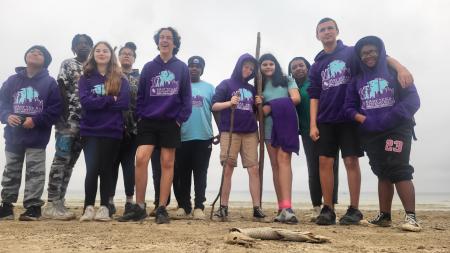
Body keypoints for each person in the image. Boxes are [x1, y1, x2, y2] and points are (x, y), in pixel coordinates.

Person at [308, 17, 414, 225]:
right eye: (322, 30)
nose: (327, 32)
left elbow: (381, 57)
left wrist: (401, 68)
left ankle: (354, 209)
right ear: (317, 35)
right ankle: (327, 208)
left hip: (350, 118)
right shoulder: (317, 64)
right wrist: (313, 123)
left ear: (337, 31)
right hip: (326, 119)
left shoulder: (351, 52)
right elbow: (314, 95)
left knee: (350, 161)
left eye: (330, 28)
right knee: (324, 162)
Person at [345, 36, 421, 232]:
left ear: (380, 52)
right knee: (382, 172)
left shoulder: (395, 72)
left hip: (396, 130)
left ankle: (411, 217)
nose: (368, 55)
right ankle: (384, 216)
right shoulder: (357, 80)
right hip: (371, 133)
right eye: (363, 53)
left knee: (398, 168)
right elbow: (349, 108)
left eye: (372, 51)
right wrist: (365, 120)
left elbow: (413, 101)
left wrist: (389, 118)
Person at [121, 27, 192, 224]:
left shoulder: (181, 68)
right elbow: (141, 95)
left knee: (167, 163)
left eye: (169, 38)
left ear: (174, 43)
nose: (165, 40)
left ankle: (161, 207)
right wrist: (141, 117)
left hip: (171, 121)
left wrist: (179, 119)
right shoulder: (149, 67)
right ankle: (140, 206)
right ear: (157, 42)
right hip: (149, 122)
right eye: (162, 37)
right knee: (141, 158)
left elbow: (186, 98)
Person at [0, 45, 61, 221]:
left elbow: (55, 109)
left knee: (35, 172)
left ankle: (33, 207)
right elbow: (2, 102)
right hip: (13, 135)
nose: (35, 53)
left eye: (40, 53)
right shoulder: (12, 80)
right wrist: (6, 116)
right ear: (26, 56)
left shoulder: (50, 83)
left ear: (46, 61)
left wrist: (35, 120)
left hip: (37, 137)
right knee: (11, 170)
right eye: (32, 51)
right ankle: (6, 206)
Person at [78, 41, 130, 222]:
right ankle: (88, 207)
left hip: (112, 131)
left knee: (107, 170)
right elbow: (85, 102)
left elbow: (123, 103)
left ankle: (105, 208)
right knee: (92, 169)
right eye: (98, 51)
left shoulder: (119, 77)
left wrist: (98, 101)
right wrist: (109, 99)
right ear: (93, 54)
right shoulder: (86, 77)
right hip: (90, 130)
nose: (101, 53)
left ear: (110, 55)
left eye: (105, 51)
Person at [44, 34, 94, 220]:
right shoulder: (67, 64)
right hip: (68, 121)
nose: (83, 47)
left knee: (71, 163)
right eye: (78, 44)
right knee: (61, 159)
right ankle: (51, 203)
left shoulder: (93, 69)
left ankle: (60, 201)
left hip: (87, 123)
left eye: (86, 44)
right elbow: (61, 88)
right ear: (73, 48)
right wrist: (62, 117)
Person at [211, 53, 265, 221]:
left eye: (251, 68)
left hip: (250, 132)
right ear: (239, 65)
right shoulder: (226, 84)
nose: (248, 70)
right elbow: (214, 105)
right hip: (230, 131)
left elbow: (256, 115)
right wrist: (229, 103)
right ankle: (223, 207)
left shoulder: (252, 89)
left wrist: (259, 104)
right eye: (245, 66)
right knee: (228, 168)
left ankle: (257, 207)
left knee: (254, 169)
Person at [288, 56, 339, 221]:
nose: (298, 69)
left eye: (301, 65)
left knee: (331, 167)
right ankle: (316, 207)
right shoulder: (293, 87)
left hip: (326, 127)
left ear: (308, 67)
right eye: (294, 67)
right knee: (313, 168)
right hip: (305, 131)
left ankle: (330, 206)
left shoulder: (316, 81)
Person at [173, 56, 217, 220]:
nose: (194, 69)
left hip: (204, 136)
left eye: (197, 67)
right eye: (191, 66)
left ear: (202, 69)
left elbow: (216, 110)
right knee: (183, 173)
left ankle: (199, 206)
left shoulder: (210, 88)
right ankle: (184, 206)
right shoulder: (179, 87)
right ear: (186, 69)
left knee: (200, 173)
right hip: (182, 136)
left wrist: (219, 130)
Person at [258, 53, 300, 224]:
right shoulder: (258, 85)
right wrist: (259, 104)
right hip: (268, 127)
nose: (268, 67)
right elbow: (258, 114)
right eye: (264, 64)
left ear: (276, 65)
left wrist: (269, 105)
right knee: (275, 165)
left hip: (287, 123)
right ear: (260, 68)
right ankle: (281, 207)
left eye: (271, 64)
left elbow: (295, 99)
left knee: (284, 161)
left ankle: (288, 207)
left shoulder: (286, 79)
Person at [110, 42, 139, 218]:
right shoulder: (111, 75)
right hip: (113, 127)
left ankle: (130, 201)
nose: (127, 56)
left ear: (134, 58)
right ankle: (109, 201)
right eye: (123, 53)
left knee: (129, 165)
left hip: (134, 128)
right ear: (119, 58)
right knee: (111, 165)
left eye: (130, 54)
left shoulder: (140, 77)